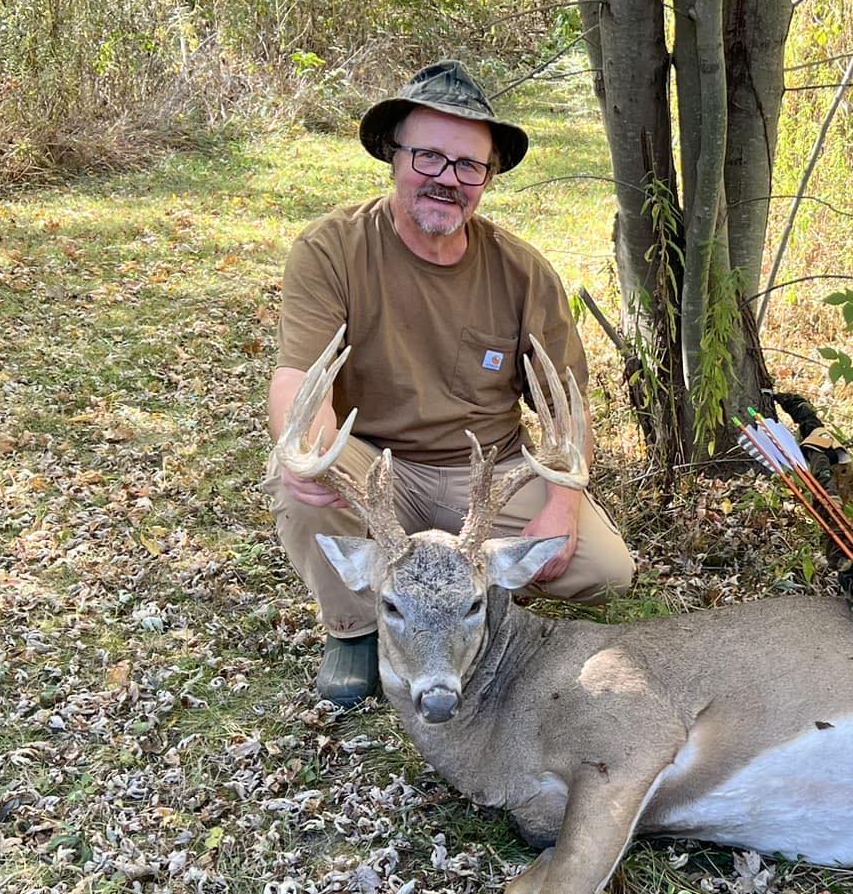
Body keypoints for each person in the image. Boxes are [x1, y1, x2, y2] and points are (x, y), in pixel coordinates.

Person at [267, 60, 637, 705]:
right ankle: (353, 629)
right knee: (300, 472)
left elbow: (566, 416)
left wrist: (560, 506)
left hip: (489, 478)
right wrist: (311, 458)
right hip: (380, 471)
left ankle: (453, 604)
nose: (447, 180)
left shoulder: (522, 272)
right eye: (429, 157)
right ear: (393, 154)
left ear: (488, 177)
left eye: (469, 166)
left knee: (605, 571)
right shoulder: (332, 248)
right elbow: (301, 380)